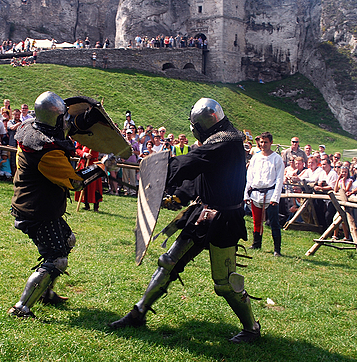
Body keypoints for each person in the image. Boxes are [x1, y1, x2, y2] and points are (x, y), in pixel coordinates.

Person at [109, 98, 260, 344]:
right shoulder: (218, 140)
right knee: (168, 262)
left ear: (201, 125)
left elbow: (191, 161)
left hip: (223, 219)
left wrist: (156, 167)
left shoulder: (226, 142)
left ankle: (251, 328)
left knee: (224, 283)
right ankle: (139, 312)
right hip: (201, 214)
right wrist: (180, 194)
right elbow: (201, 172)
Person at [9, 91, 103, 318]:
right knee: (57, 258)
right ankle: (22, 307)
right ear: (55, 119)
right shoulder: (46, 151)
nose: (67, 122)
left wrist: (88, 118)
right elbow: (75, 182)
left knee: (66, 241)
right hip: (37, 210)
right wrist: (102, 166)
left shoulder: (32, 127)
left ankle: (45, 290)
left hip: (38, 205)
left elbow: (66, 128)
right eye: (64, 117)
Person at [245, 132, 284, 257]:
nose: (263, 144)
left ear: (271, 143)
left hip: (270, 192)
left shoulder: (277, 159)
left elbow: (279, 179)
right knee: (256, 221)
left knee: (273, 222)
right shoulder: (255, 157)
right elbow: (249, 176)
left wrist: (275, 197)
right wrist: (246, 193)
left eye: (265, 142)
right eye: (261, 142)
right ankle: (256, 243)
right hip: (256, 192)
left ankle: (277, 249)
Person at [74, 145, 103, 211]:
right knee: (83, 183)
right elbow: (77, 149)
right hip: (83, 163)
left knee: (94, 185)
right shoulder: (82, 138)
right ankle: (86, 204)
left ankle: (96, 205)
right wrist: (84, 154)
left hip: (93, 163)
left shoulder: (97, 140)